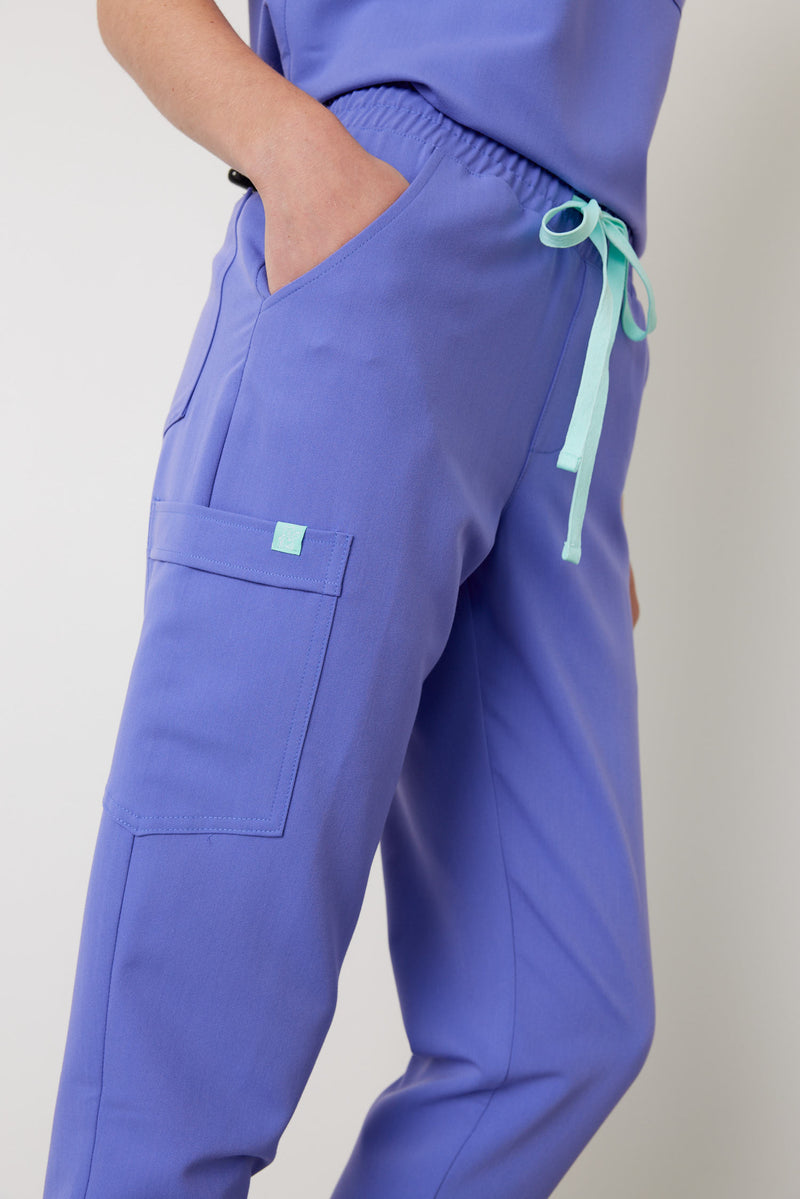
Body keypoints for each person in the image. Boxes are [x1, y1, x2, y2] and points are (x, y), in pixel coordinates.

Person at [42, 0, 683, 1194]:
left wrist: (565, 453)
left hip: (578, 324)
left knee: (557, 1021)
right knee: (193, 1011)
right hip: (384, 235)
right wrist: (293, 153)